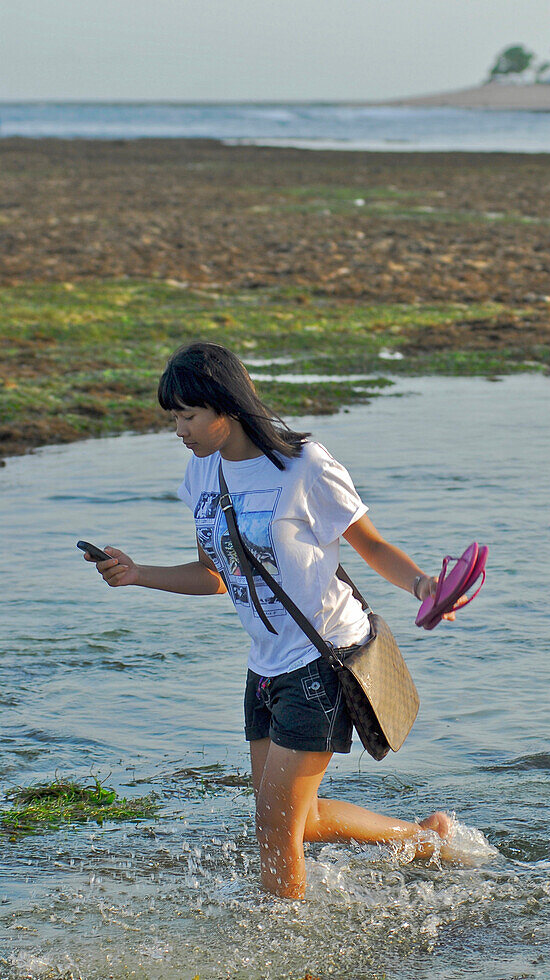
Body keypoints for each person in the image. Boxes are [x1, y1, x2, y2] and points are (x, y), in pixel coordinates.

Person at [84, 340, 456, 899]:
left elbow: (371, 547)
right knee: (295, 823)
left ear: (226, 407)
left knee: (275, 838)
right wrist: (138, 574)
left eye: (188, 415)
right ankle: (423, 842)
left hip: (321, 660)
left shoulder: (302, 466)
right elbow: (215, 574)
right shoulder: (201, 474)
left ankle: (280, 947)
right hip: (264, 668)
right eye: (174, 417)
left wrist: (424, 585)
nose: (178, 429)